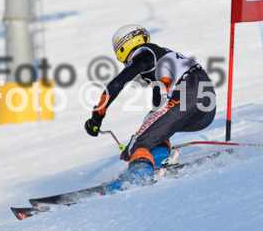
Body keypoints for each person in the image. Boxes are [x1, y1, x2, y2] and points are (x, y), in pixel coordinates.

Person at [84, 24, 216, 191]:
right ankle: (154, 159)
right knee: (149, 134)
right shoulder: (161, 56)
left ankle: (138, 176)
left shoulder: (144, 54)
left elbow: (116, 84)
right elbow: (158, 108)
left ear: (123, 47)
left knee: (139, 143)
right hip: (205, 108)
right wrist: (145, 139)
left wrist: (97, 117)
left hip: (188, 93)